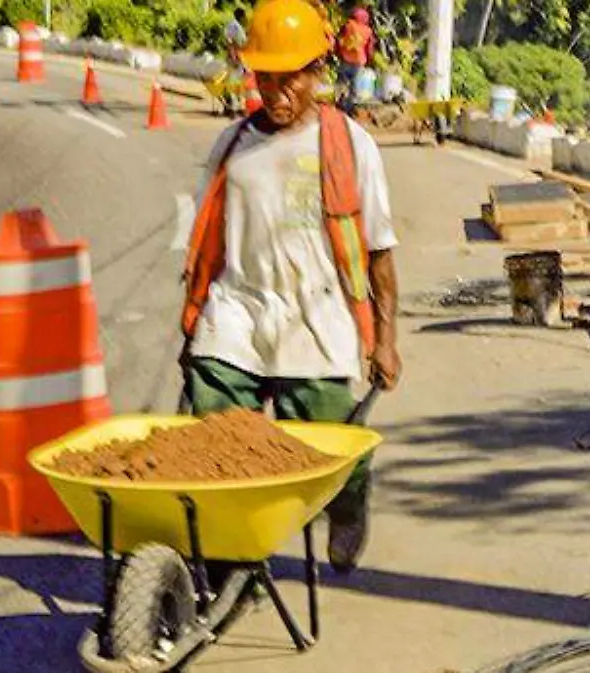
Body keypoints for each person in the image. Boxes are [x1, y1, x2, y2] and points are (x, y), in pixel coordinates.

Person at [182, 0, 401, 575]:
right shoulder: (231, 147)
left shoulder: (350, 146)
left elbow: (378, 250)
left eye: (292, 79)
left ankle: (349, 507)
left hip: (317, 320)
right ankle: (234, 568)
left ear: (317, 71)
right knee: (216, 450)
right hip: (237, 318)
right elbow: (206, 243)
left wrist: (385, 338)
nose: (279, 93)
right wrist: (195, 319)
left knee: (333, 448)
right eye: (267, 78)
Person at [336, 6, 376, 111]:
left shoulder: (347, 25)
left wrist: (337, 53)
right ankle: (349, 108)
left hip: (345, 59)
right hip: (359, 62)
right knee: (354, 86)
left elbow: (339, 41)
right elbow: (369, 48)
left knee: (342, 83)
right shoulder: (368, 31)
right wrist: (370, 60)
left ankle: (340, 104)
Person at [222, 8, 249, 117]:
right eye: (244, 17)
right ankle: (232, 108)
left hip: (240, 59)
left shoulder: (239, 27)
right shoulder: (233, 26)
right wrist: (233, 57)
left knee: (239, 84)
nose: (245, 19)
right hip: (235, 59)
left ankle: (239, 107)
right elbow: (230, 42)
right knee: (233, 83)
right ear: (241, 16)